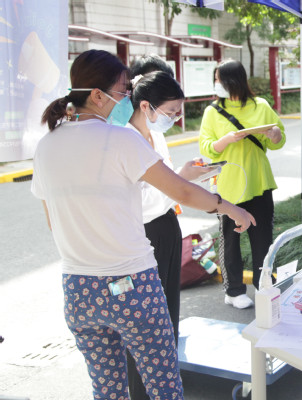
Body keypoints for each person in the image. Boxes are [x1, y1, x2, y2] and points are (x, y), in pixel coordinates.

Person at [32, 50, 255, 400]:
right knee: (164, 384)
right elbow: (181, 190)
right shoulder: (119, 139)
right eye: (122, 91)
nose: (126, 98)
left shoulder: (46, 145)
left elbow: (52, 221)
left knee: (108, 389)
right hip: (132, 284)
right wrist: (230, 209)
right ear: (97, 95)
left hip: (78, 289)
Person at [126, 70, 211, 400]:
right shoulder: (125, 139)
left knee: (167, 312)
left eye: (178, 113)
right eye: (171, 112)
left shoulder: (153, 135)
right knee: (145, 322)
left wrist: (185, 178)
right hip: (143, 233)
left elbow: (166, 184)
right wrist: (182, 182)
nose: (175, 119)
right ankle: (143, 390)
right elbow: (139, 201)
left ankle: (164, 383)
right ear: (145, 106)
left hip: (166, 226)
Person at [198, 59, 285, 309]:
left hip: (259, 181)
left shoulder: (261, 106)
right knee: (230, 239)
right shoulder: (213, 112)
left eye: (219, 79)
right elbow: (206, 148)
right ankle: (233, 290)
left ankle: (263, 284)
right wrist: (226, 140)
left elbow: (278, 140)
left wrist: (275, 135)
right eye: (215, 79)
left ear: (232, 81)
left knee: (262, 238)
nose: (216, 84)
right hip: (228, 185)